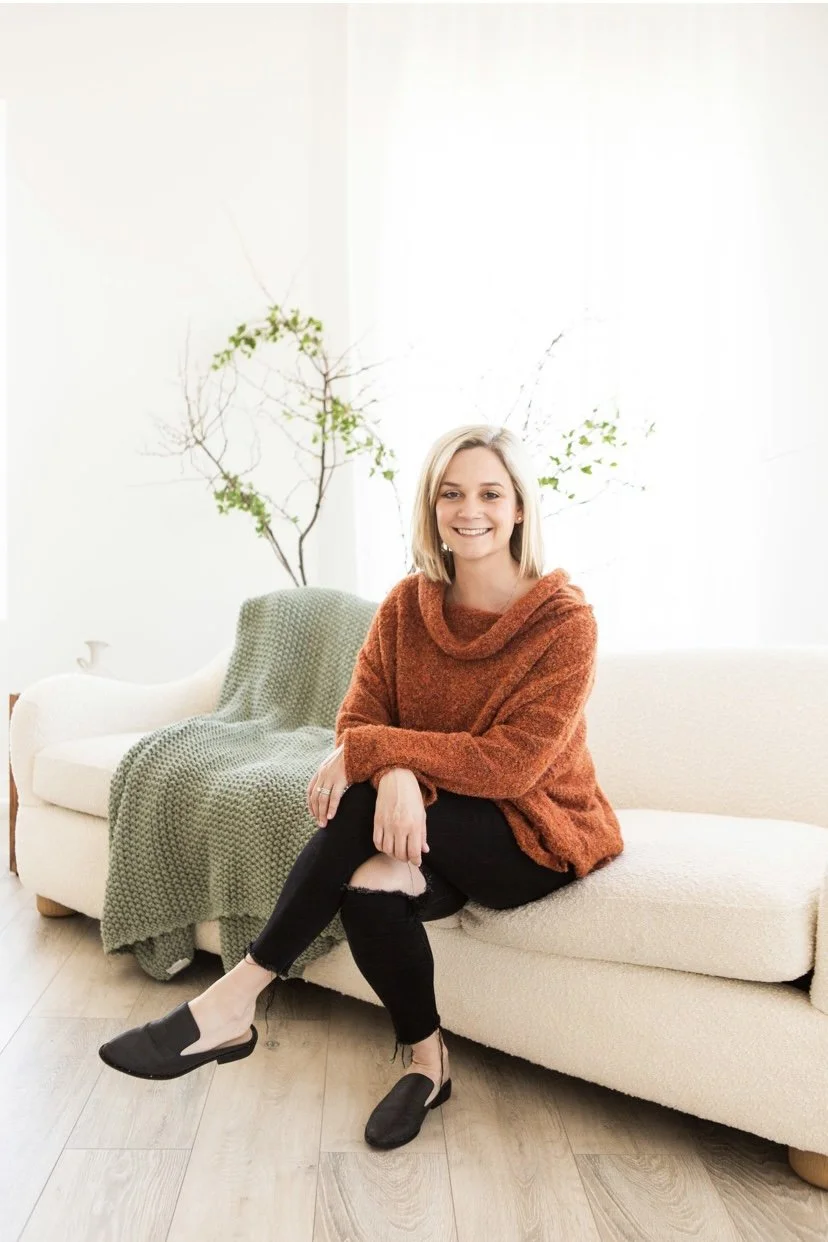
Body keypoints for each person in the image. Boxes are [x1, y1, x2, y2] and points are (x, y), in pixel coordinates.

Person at [98, 423, 624, 1150]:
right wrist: (396, 767)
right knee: (371, 881)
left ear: (520, 509)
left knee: (362, 797)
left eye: (489, 493)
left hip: (532, 835)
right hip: (437, 830)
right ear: (431, 507)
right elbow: (357, 717)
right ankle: (426, 1062)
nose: (469, 509)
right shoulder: (408, 605)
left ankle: (233, 1001)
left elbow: (510, 765)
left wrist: (385, 761)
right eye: (451, 493)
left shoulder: (565, 623)